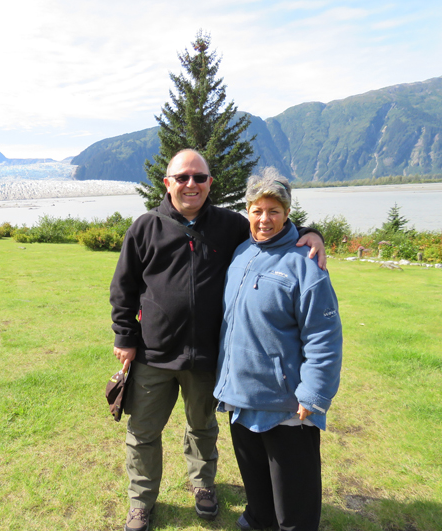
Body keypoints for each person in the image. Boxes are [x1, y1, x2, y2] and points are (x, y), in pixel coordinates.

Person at [110, 149, 326, 531]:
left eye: (199, 177)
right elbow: (123, 287)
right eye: (182, 177)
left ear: (210, 183)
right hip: (153, 355)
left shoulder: (231, 225)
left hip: (208, 356)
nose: (191, 184)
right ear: (168, 183)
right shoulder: (144, 227)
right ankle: (141, 502)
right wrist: (125, 337)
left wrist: (312, 233)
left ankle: (203, 485)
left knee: (203, 427)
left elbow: (270, 223)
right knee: (142, 433)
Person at [214, 174, 342, 531]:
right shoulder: (241, 252)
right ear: (247, 211)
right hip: (241, 394)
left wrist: (314, 393)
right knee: (256, 483)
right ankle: (258, 520)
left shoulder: (306, 263)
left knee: (294, 500)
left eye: (274, 211)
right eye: (257, 211)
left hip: (286, 404)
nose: (264, 219)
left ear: (287, 213)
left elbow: (324, 335)